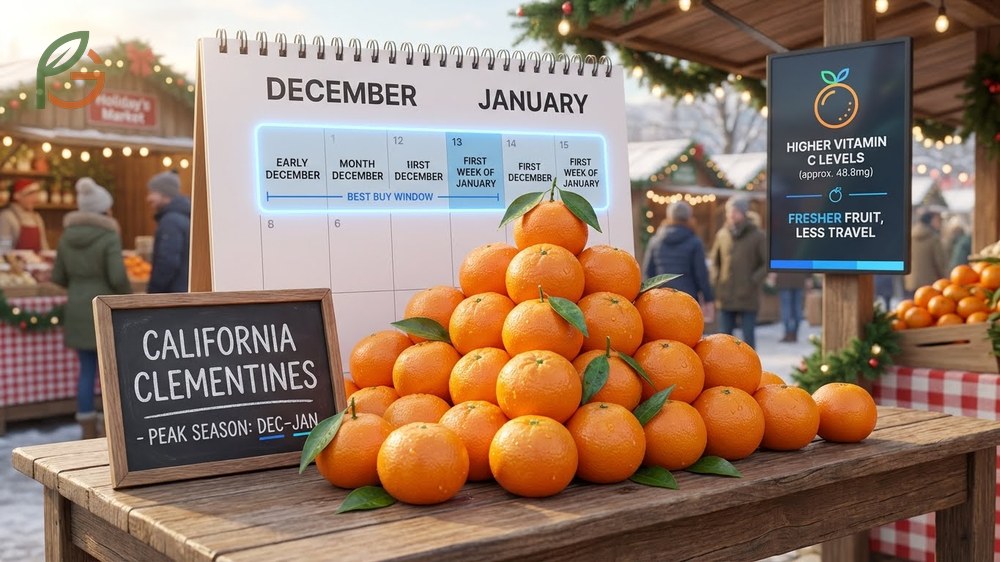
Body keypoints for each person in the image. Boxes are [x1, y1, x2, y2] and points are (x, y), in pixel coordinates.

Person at [51, 178, 131, 439]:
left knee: (86, 370)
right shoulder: (109, 235)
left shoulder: (65, 236)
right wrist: (128, 298)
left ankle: (86, 428)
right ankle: (111, 425)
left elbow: (59, 276)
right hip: (103, 308)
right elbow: (117, 276)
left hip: (76, 308)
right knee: (110, 371)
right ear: (103, 209)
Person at [709, 195, 767, 349]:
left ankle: (750, 369)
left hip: (747, 296)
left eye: (735, 211)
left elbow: (766, 263)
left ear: (743, 213)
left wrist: (753, 281)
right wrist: (716, 280)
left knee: (748, 340)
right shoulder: (722, 235)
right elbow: (715, 261)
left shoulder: (758, 236)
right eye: (729, 211)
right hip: (725, 296)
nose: (731, 215)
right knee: (723, 341)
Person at [643, 201, 715, 320]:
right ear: (688, 217)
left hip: (661, 300)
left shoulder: (655, 241)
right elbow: (701, 274)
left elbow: (648, 273)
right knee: (686, 333)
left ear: (669, 216)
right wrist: (708, 298)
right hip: (687, 299)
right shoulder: (695, 242)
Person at [146, 171, 191, 293]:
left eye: (152, 192)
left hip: (173, 294)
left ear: (165, 194)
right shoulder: (182, 216)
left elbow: (167, 262)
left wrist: (152, 293)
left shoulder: (171, 222)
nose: (148, 198)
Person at [904, 208, 948, 297]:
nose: (940, 223)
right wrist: (945, 279)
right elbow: (940, 262)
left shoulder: (910, 236)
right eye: (938, 220)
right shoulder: (933, 238)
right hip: (930, 283)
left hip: (912, 282)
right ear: (930, 221)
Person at [0, 178, 50, 252]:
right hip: (15, 263)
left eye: (36, 195)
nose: (35, 199)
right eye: (30, 195)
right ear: (17, 196)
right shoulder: (7, 217)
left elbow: (44, 246)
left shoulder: (36, 217)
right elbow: (3, 249)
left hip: (37, 262)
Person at [771, 271, 809, 343]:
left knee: (786, 308)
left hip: (784, 278)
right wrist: (809, 277)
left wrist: (773, 272)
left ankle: (788, 333)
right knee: (797, 308)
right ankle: (794, 333)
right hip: (799, 278)